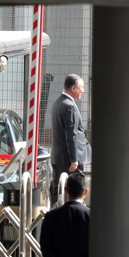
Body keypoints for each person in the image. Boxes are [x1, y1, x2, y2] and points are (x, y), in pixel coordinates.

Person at [50, 74, 92, 205]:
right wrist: (74, 159)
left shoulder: (57, 103)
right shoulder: (70, 106)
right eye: (81, 88)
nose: (83, 91)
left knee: (58, 190)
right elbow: (71, 134)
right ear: (73, 88)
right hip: (70, 159)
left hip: (58, 156)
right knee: (77, 191)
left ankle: (55, 216)